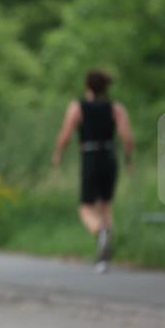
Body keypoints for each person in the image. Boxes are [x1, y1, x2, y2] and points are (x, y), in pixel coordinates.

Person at [52, 70, 134, 273]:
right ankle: (104, 257)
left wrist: (58, 154)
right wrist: (129, 160)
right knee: (106, 205)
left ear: (88, 86)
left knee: (86, 208)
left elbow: (66, 134)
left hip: (90, 156)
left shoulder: (78, 107)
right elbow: (127, 137)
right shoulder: (115, 108)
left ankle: (100, 233)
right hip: (110, 156)